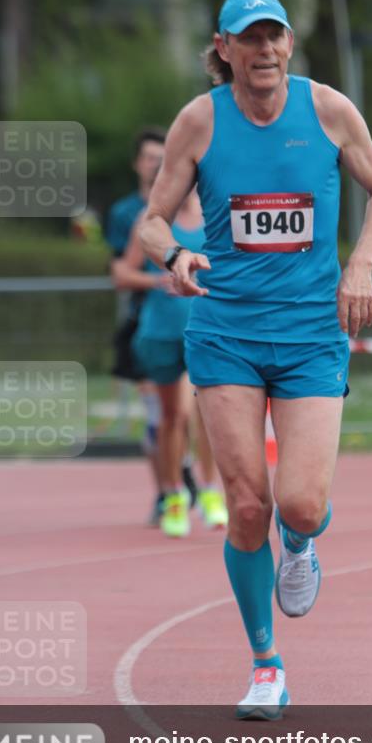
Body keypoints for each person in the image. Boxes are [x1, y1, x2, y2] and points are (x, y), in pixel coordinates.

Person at [140, 0, 372, 718]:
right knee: (246, 506)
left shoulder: (327, 110)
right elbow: (156, 222)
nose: (263, 52)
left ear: (289, 44)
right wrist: (177, 258)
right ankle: (265, 665)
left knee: (301, 505)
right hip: (225, 333)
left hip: (312, 333)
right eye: (247, 40)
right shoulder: (199, 120)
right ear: (222, 49)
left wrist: (360, 265)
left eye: (274, 37)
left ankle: (304, 540)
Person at [115, 190, 228, 537]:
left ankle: (209, 490)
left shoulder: (216, 217)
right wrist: (156, 279)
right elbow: (122, 272)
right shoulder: (152, 224)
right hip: (162, 331)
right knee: (172, 416)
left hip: (208, 328)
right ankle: (174, 494)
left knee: (208, 413)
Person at [105, 128, 197, 523]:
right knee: (161, 415)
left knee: (190, 413)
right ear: (137, 163)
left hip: (194, 323)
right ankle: (168, 490)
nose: (157, 164)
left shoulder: (197, 205)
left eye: (163, 157)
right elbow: (119, 270)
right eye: (149, 158)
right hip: (148, 322)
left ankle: (188, 479)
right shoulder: (129, 213)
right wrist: (156, 280)